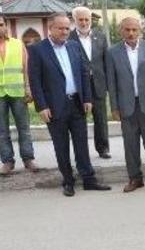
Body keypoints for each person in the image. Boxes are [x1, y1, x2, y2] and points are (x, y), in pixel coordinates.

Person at [28, 13, 111, 197]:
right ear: (50, 28)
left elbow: (83, 73)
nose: (65, 31)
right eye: (60, 28)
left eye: (67, 28)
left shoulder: (74, 46)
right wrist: (41, 106)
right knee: (61, 145)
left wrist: (87, 98)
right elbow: (35, 81)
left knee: (82, 144)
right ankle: (68, 181)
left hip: (76, 103)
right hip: (54, 106)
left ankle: (89, 179)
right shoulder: (37, 50)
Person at [106, 17, 145, 193]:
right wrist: (114, 107)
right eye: (127, 30)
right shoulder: (112, 52)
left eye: (134, 29)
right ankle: (135, 178)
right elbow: (112, 82)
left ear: (140, 30)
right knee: (130, 145)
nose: (131, 33)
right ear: (121, 31)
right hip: (126, 106)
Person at [0, 12, 38, 175]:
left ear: (6, 26)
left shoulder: (18, 44)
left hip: (17, 92)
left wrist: (29, 88)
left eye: (1, 25)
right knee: (2, 131)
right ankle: (7, 161)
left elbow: (26, 68)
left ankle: (28, 159)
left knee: (24, 128)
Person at [69, 6, 111, 159]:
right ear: (75, 20)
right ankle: (82, 151)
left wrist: (108, 84)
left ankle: (103, 148)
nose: (84, 22)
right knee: (79, 120)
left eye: (87, 19)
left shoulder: (100, 37)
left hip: (98, 84)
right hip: (79, 86)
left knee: (101, 118)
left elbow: (107, 62)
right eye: (81, 19)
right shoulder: (69, 38)